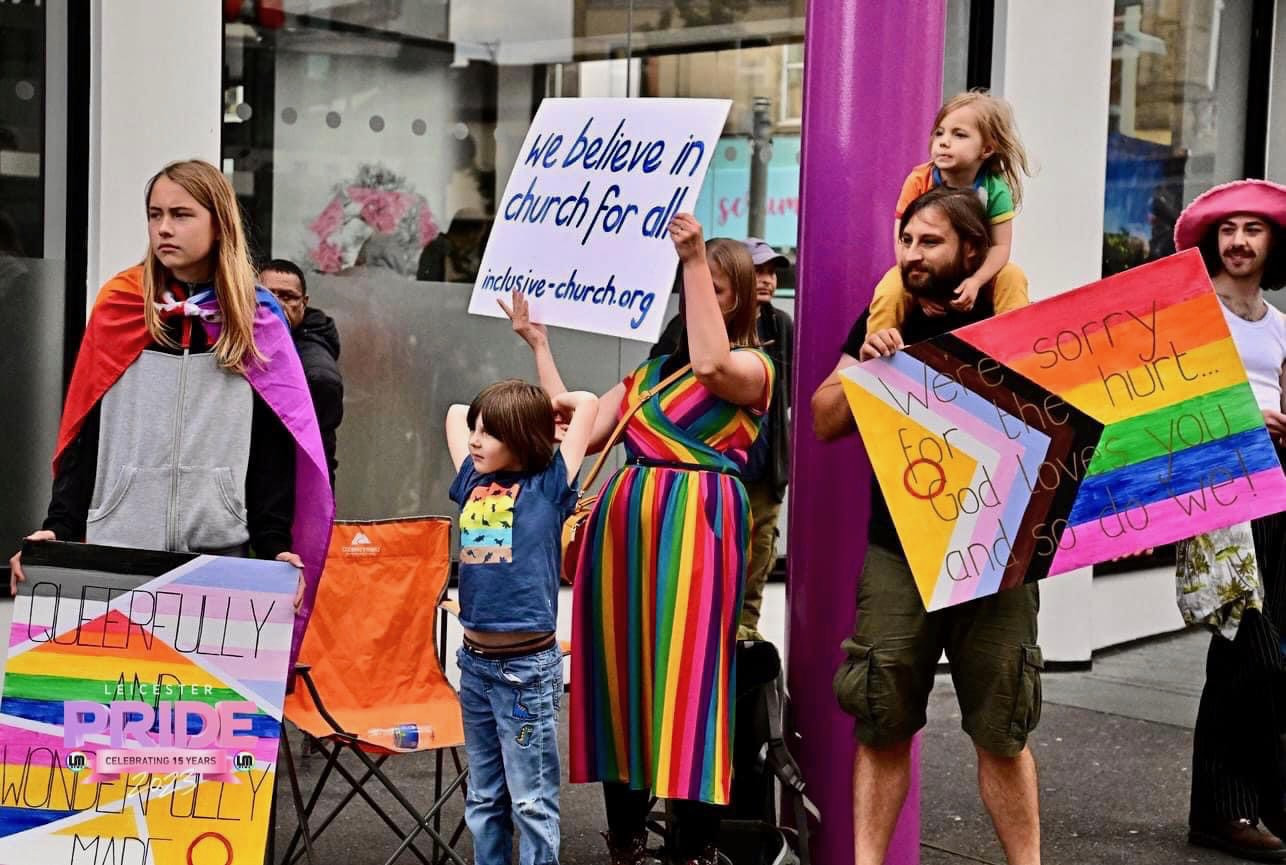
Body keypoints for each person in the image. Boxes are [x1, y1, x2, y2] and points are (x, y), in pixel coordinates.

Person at [503, 215, 774, 865]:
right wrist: (539, 345)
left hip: (699, 526)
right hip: (624, 530)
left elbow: (710, 363)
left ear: (734, 299)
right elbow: (573, 424)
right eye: (695, 283)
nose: (698, 294)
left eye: (716, 288)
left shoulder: (753, 367)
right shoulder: (649, 376)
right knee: (619, 674)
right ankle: (624, 836)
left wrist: (692, 258)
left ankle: (693, 845)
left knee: (692, 677)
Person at [7, 160, 332, 649]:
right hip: (116, 557)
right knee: (112, 698)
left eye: (181, 214)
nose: (163, 228)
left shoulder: (256, 319)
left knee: (206, 697)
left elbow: (273, 448)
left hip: (221, 561)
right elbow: (84, 432)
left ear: (219, 223)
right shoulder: (120, 306)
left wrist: (275, 545)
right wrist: (59, 529)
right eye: (155, 214)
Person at [812, 187, 1041, 865]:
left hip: (997, 551)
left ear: (971, 250)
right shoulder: (885, 319)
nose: (912, 254)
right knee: (881, 718)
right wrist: (867, 368)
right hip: (898, 552)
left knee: (1003, 729)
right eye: (907, 240)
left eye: (930, 241)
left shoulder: (1011, 313)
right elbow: (823, 418)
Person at [1170, 179, 1286, 861]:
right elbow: (1171, 401)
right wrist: (1243, 419)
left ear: (1274, 242)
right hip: (1220, 495)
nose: (1239, 241)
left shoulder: (1279, 325)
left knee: (1265, 656)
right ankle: (1229, 809)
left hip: (1277, 493)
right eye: (1228, 229)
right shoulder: (1189, 310)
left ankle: (1248, 805)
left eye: (1254, 228)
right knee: (1252, 651)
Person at [444, 380, 598, 865]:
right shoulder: (472, 480)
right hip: (475, 666)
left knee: (531, 801)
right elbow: (455, 410)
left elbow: (588, 405)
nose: (475, 441)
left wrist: (542, 413)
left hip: (526, 671)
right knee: (483, 796)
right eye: (477, 431)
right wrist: (499, 414)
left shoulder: (549, 487)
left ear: (522, 437)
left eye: (489, 433)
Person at [650, 237, 793, 641]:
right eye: (758, 270)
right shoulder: (684, 327)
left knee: (757, 552)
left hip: (762, 468)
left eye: (771, 272)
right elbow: (656, 382)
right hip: (705, 472)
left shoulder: (779, 325)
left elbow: (785, 392)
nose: (766, 280)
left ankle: (745, 632)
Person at [873, 89, 1031, 327]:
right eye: (940, 132)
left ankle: (1015, 339)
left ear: (987, 149)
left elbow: (1000, 246)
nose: (944, 141)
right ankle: (878, 342)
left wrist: (977, 280)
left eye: (959, 135)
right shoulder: (919, 181)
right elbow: (902, 241)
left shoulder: (995, 189)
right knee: (890, 288)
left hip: (975, 269)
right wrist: (917, 288)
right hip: (927, 268)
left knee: (1013, 276)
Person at [260, 258, 344, 487]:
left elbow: (320, 454)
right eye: (267, 295)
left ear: (303, 303)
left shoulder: (315, 367)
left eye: (287, 297)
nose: (277, 304)